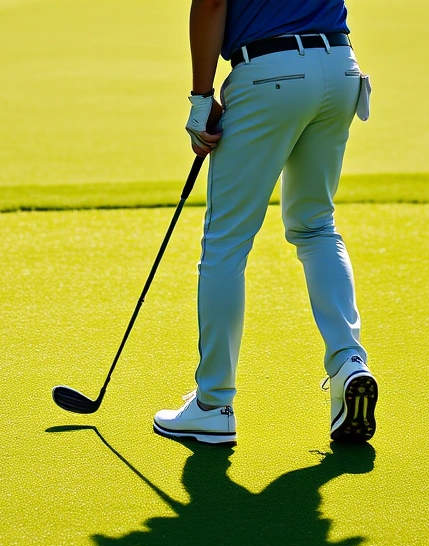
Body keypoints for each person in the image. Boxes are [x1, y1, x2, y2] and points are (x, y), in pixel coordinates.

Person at [152, 0, 378, 445]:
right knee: (316, 227)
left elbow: (213, 2)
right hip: (340, 65)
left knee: (226, 243)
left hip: (270, 73)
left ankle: (213, 404)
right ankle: (349, 363)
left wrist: (201, 100)